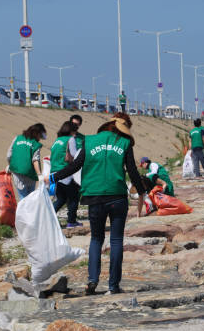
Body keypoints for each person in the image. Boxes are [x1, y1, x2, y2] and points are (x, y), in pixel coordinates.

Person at [47, 113, 147, 295]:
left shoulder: (90, 141)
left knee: (96, 239)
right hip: (117, 197)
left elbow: (74, 166)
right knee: (116, 240)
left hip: (93, 196)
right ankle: (113, 286)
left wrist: (53, 176)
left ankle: (92, 280)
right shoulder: (124, 144)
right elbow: (132, 171)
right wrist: (141, 192)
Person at [51, 121, 82, 228]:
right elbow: (74, 155)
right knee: (74, 198)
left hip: (55, 173)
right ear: (71, 130)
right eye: (75, 131)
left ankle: (49, 218)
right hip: (66, 173)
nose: (75, 134)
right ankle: (71, 221)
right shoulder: (70, 139)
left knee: (61, 198)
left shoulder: (57, 140)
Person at [6, 123, 46, 200]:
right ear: (37, 134)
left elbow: (8, 155)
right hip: (30, 175)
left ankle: (23, 211)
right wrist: (39, 174)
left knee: (23, 198)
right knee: (30, 198)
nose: (40, 138)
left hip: (17, 173)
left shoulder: (17, 138)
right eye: (40, 136)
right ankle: (26, 211)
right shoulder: (35, 144)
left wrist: (10, 165)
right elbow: (35, 160)